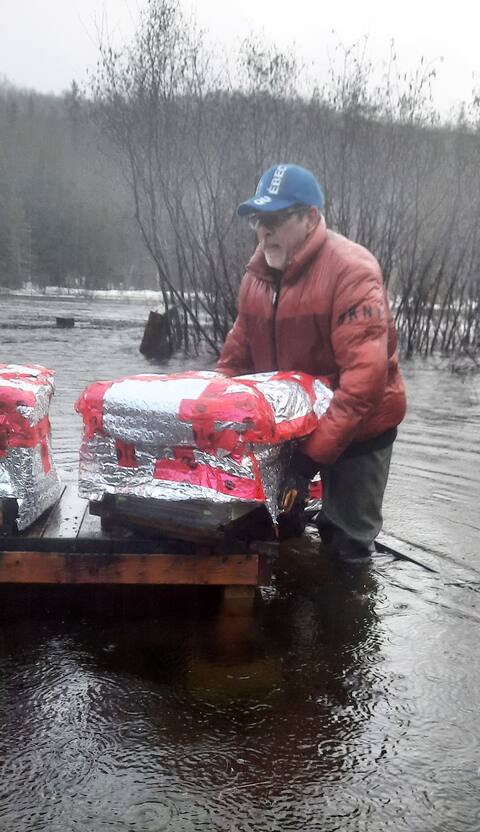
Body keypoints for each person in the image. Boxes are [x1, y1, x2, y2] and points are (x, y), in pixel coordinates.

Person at [216, 163, 407, 562]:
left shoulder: (352, 271)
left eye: (276, 219)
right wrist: (211, 420)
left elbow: (363, 385)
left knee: (346, 543)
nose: (264, 230)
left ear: (310, 218)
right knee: (273, 525)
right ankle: (287, 610)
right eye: (258, 220)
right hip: (292, 426)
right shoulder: (256, 277)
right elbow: (235, 358)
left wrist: (307, 464)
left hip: (361, 427)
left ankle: (347, 618)